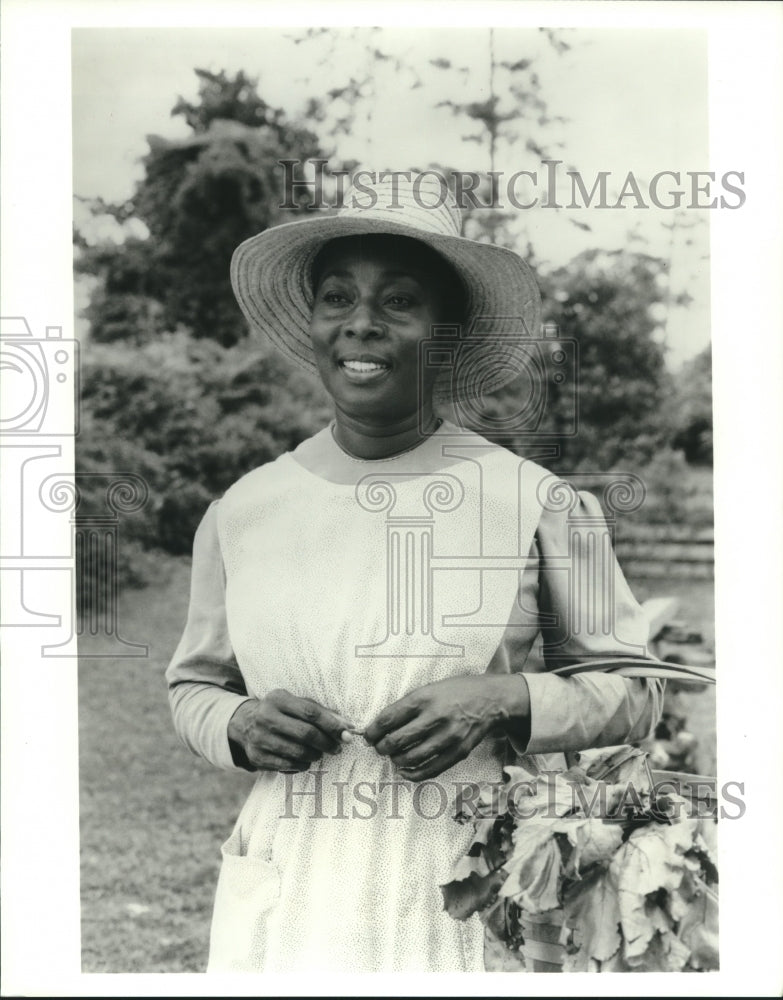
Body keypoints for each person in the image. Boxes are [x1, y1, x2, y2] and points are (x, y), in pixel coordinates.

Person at [166, 174, 664, 973]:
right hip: (290, 879)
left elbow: (637, 689)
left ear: (446, 334)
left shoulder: (538, 503)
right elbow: (192, 686)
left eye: (399, 301)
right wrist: (236, 725)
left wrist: (498, 698)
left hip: (465, 880)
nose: (360, 324)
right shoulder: (242, 511)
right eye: (336, 298)